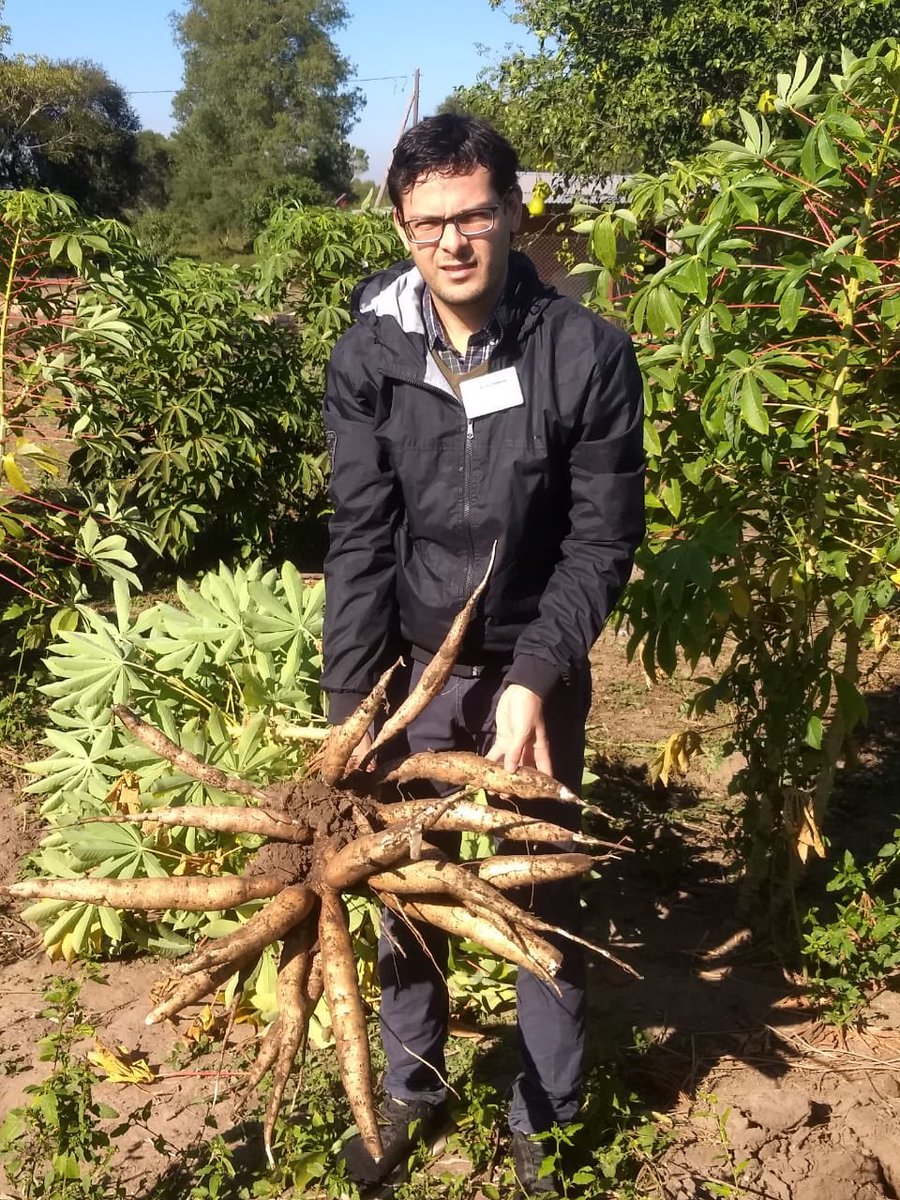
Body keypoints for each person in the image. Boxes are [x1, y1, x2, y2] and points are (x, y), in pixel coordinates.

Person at [321, 114, 645, 1197]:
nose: (452, 242)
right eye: (428, 225)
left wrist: (535, 679)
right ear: (404, 228)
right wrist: (348, 710)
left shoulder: (587, 352)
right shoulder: (371, 353)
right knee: (403, 884)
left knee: (535, 892)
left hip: (533, 665)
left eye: (472, 216)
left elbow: (602, 540)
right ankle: (412, 1086)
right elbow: (361, 535)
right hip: (410, 665)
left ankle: (546, 1113)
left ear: (511, 214)